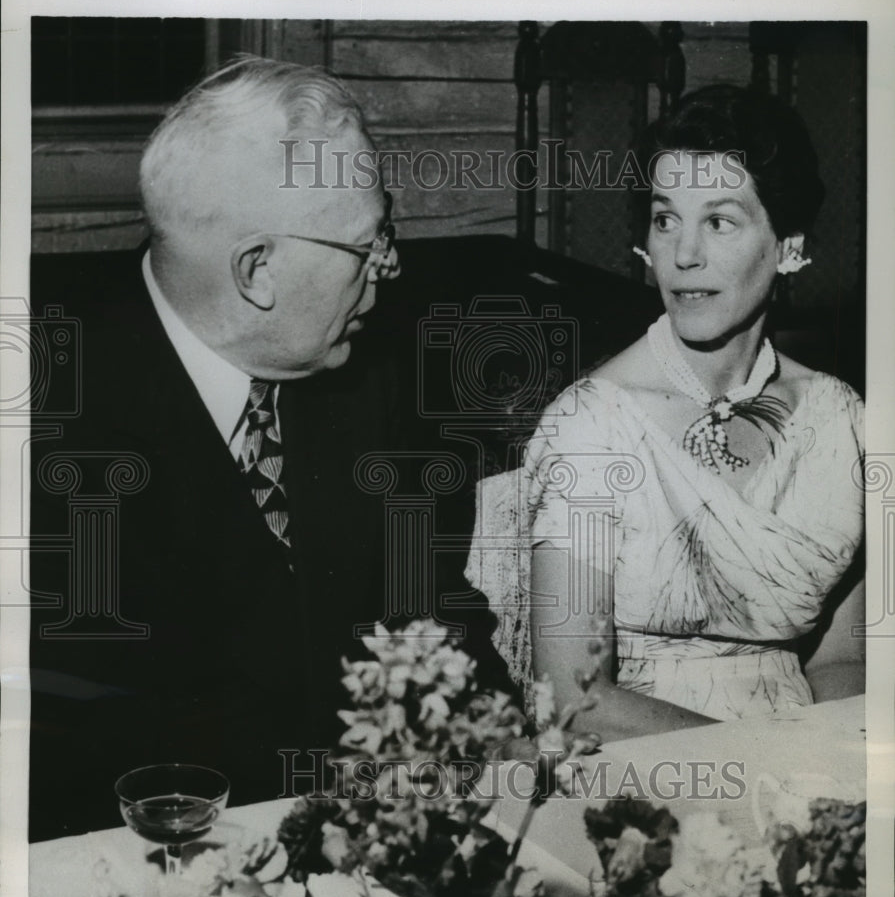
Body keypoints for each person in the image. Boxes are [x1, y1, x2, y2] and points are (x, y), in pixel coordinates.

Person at [28, 56, 408, 840]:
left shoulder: (356, 371)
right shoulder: (46, 436)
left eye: (386, 231)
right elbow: (72, 755)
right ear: (257, 269)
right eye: (365, 245)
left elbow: (420, 615)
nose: (390, 266)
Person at [467, 85, 864, 741]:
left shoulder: (839, 419)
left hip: (803, 758)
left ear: (788, 246)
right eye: (665, 219)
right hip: (640, 766)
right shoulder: (591, 426)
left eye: (719, 222)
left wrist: (828, 769)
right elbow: (572, 700)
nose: (683, 255)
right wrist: (759, 762)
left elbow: (843, 660)